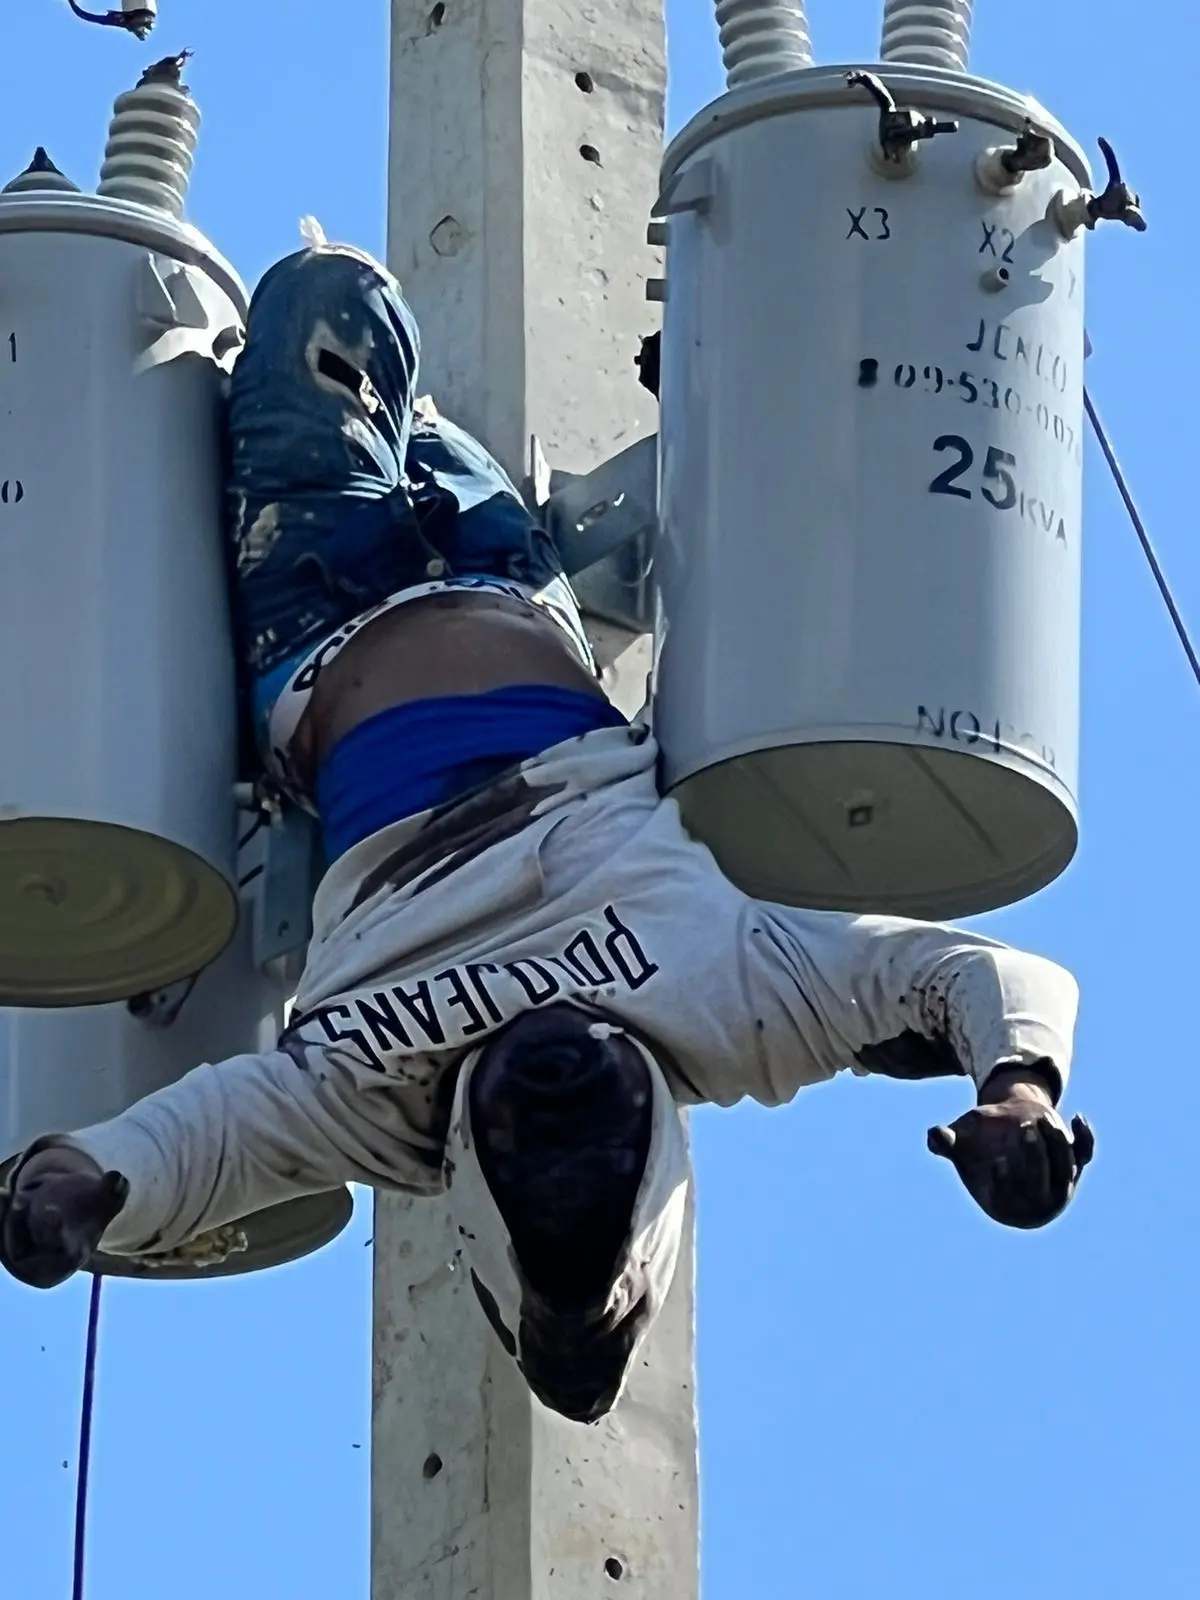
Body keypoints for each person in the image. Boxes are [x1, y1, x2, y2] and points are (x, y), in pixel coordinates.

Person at [0, 245, 1094, 1424]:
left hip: (320, 616)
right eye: (602, 1128)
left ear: (479, 1174)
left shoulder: (373, 1103)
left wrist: (74, 1183)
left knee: (321, 300)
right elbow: (967, 974)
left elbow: (201, 1144)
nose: (564, 1069)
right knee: (367, 347)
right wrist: (1019, 1088)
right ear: (652, 1149)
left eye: (535, 1136)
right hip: (510, 582)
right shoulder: (733, 1009)